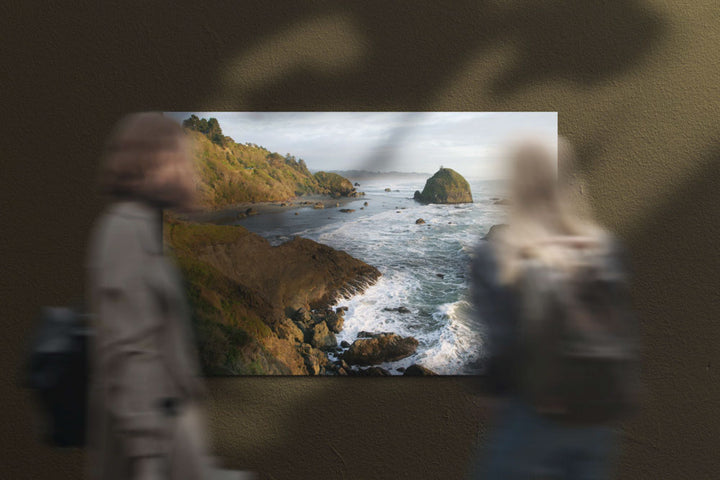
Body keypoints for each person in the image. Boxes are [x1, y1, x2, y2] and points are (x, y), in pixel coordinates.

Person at [467, 138, 637, 479]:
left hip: (532, 414)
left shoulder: (500, 252)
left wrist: (491, 395)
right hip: (597, 417)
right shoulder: (601, 246)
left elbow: (501, 346)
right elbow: (624, 325)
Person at [85, 113, 214, 479]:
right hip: (155, 438)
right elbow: (130, 349)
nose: (187, 166)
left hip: (166, 426)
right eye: (179, 157)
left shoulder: (141, 223)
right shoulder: (126, 229)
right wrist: (148, 460)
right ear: (155, 162)